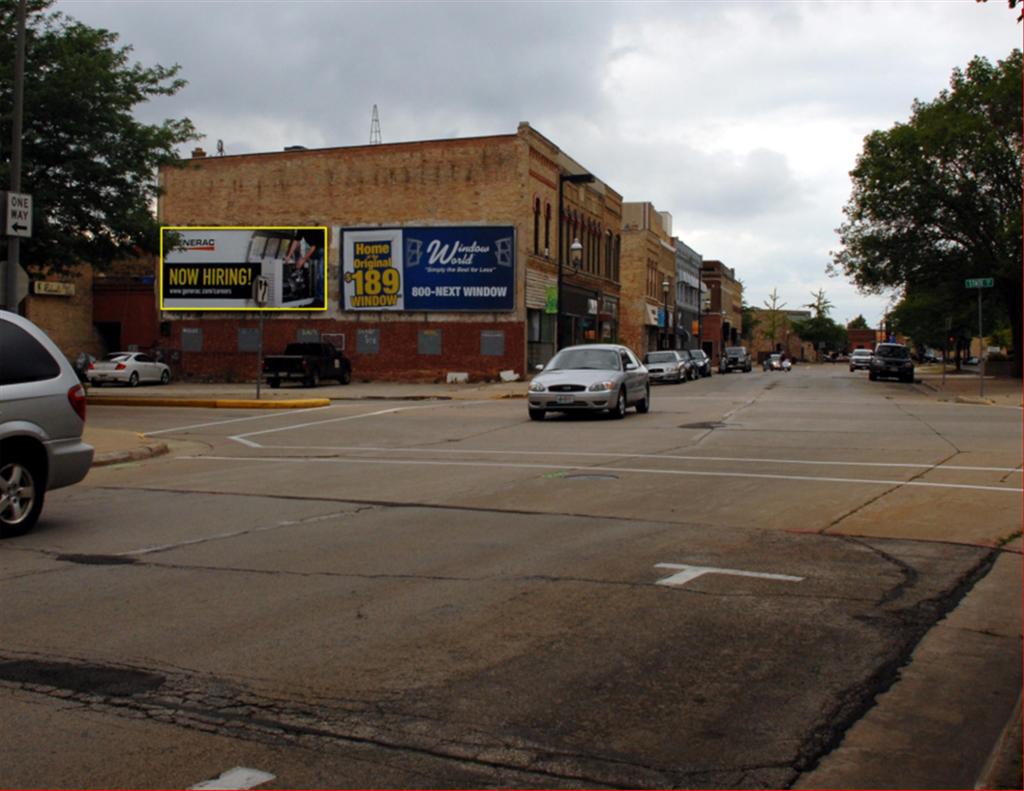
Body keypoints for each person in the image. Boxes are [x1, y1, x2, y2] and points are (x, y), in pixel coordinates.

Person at [284, 229, 326, 306]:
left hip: (324, 248)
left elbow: (314, 246)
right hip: (316, 250)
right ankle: (308, 289)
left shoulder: (313, 228)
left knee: (321, 274)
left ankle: (320, 299)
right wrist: (289, 255)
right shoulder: (301, 228)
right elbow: (296, 241)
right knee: (312, 269)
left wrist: (303, 259)